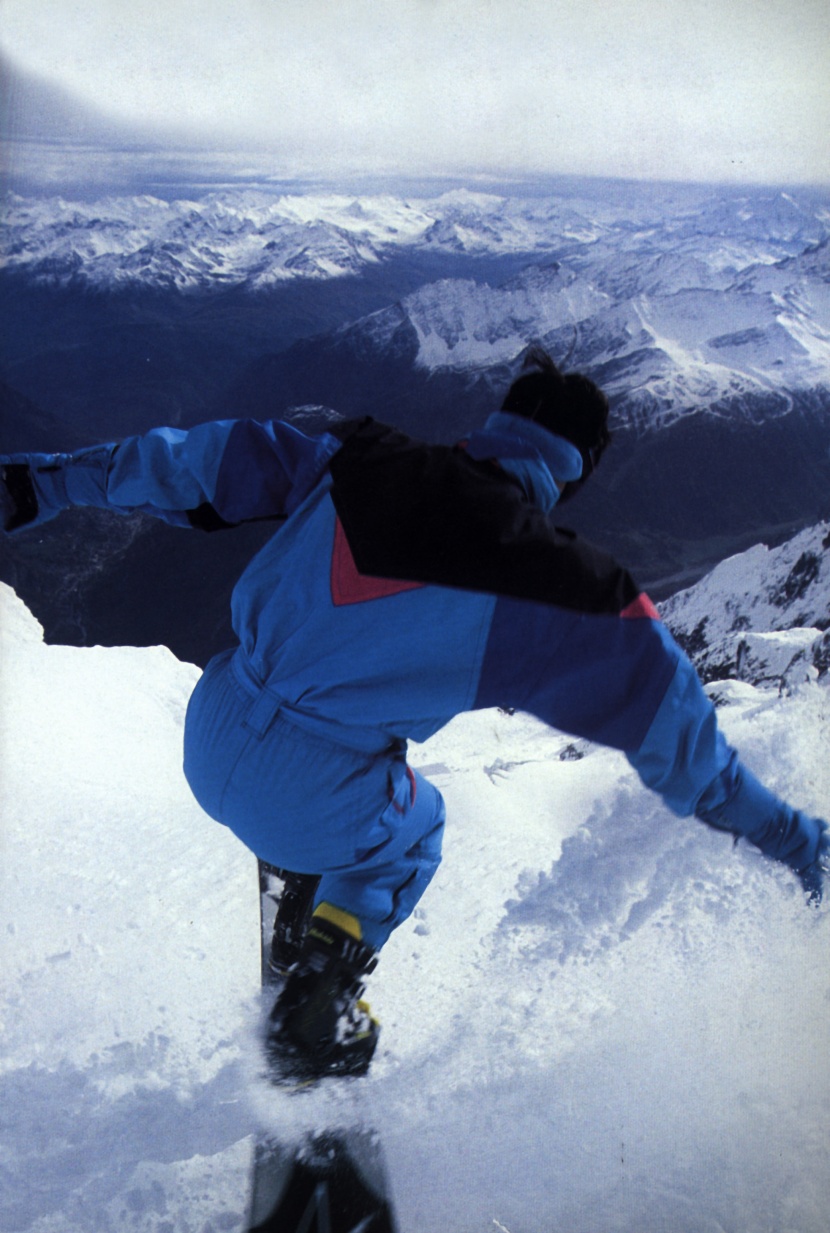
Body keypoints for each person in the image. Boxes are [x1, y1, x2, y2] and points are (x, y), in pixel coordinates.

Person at [1, 347, 827, 1085]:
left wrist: (41, 482)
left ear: (498, 424)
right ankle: (318, 990)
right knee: (419, 825)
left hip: (211, 717)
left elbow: (187, 463)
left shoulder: (356, 455)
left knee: (354, 783)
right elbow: (690, 750)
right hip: (310, 794)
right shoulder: (563, 587)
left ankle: (315, 889)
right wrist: (796, 841)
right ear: (573, 472)